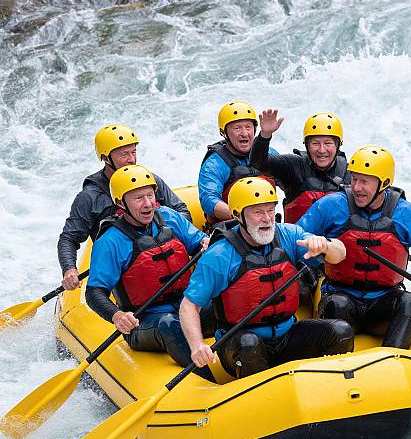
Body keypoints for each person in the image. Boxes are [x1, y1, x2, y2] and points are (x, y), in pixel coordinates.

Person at [179, 177, 354, 379]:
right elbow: (189, 306)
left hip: (287, 335)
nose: (267, 219)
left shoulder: (289, 235)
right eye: (258, 212)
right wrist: (197, 345)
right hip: (240, 343)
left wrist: (326, 245)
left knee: (340, 331)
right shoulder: (219, 255)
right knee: (248, 345)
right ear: (238, 215)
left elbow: (340, 254)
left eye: (270, 210)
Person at [298, 145, 411, 350]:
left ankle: (394, 359)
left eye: (364, 181)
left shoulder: (406, 213)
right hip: (342, 298)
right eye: (354, 179)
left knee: (410, 302)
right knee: (337, 304)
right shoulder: (332, 205)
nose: (357, 187)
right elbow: (294, 236)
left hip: (384, 301)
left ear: (384, 183)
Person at [85, 164, 214, 380]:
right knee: (169, 324)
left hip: (188, 309)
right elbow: (94, 292)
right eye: (138, 198)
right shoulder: (110, 241)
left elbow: (197, 242)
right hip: (146, 322)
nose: (147, 204)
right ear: (120, 203)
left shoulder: (169, 217)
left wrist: (206, 243)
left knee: (228, 300)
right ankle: (210, 384)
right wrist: (117, 316)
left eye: (150, 195)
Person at [58, 124, 191, 291]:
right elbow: (69, 238)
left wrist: (162, 239)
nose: (131, 159)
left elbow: (181, 211)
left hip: (160, 257)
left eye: (133, 152)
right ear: (106, 158)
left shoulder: (147, 181)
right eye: (124, 154)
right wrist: (69, 269)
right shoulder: (89, 197)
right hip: (124, 272)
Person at [250, 109, 351, 224]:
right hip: (297, 240)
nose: (322, 150)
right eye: (315, 143)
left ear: (338, 145)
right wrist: (265, 135)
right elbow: (259, 163)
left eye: (328, 143)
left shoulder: (350, 174)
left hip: (335, 241)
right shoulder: (294, 166)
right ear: (306, 145)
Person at [198, 101, 278, 225]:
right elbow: (209, 201)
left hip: (266, 223)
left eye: (248, 127)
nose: (244, 133)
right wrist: (244, 218)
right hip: (231, 227)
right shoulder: (215, 163)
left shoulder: (269, 154)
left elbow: (291, 183)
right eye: (237, 128)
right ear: (225, 133)